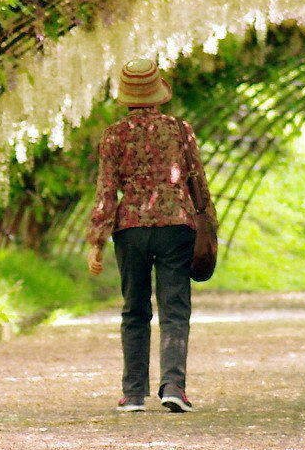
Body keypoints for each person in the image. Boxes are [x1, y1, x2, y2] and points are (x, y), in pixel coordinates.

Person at [86, 58, 214, 413]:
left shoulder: (114, 135)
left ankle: (133, 393)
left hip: (131, 229)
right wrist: (210, 226)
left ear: (127, 98)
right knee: (174, 308)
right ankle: (174, 386)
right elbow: (197, 183)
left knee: (134, 310)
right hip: (176, 226)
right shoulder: (179, 130)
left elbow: (106, 191)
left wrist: (96, 240)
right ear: (159, 95)